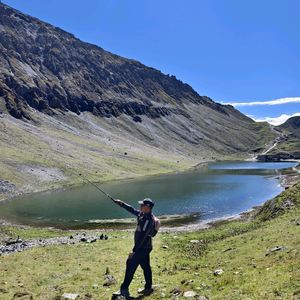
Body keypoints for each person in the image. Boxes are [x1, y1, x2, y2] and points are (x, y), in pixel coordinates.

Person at [113, 198, 155, 297]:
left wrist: (134, 250)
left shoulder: (148, 219)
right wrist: (121, 203)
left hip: (143, 248)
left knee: (130, 263)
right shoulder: (143, 215)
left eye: (142, 205)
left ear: (147, 207)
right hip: (145, 247)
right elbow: (133, 210)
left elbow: (143, 236)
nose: (140, 207)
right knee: (145, 267)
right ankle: (148, 288)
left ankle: (124, 289)